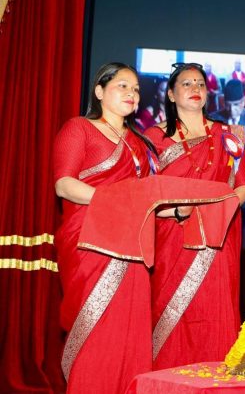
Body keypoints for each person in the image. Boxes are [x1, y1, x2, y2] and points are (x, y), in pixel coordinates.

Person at [53, 62, 156, 393]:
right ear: (99, 91)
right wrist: (114, 202)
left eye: (135, 89)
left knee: (129, 330)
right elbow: (64, 185)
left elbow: (146, 196)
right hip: (89, 241)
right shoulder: (79, 128)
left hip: (132, 243)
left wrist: (179, 208)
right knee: (97, 330)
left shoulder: (139, 142)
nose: (131, 93)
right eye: (122, 86)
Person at [144, 62, 245, 370]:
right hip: (171, 237)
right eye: (187, 84)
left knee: (214, 310)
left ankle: (216, 383)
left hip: (217, 240)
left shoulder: (227, 135)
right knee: (171, 313)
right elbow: (145, 191)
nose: (195, 89)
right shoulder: (154, 137)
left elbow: (243, 187)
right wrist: (178, 211)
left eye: (201, 84)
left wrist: (214, 210)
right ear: (171, 94)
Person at [208, 79, 245, 248]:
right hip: (221, 191)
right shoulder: (214, 120)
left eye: (236, 105)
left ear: (243, 101)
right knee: (222, 244)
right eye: (228, 105)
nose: (232, 110)